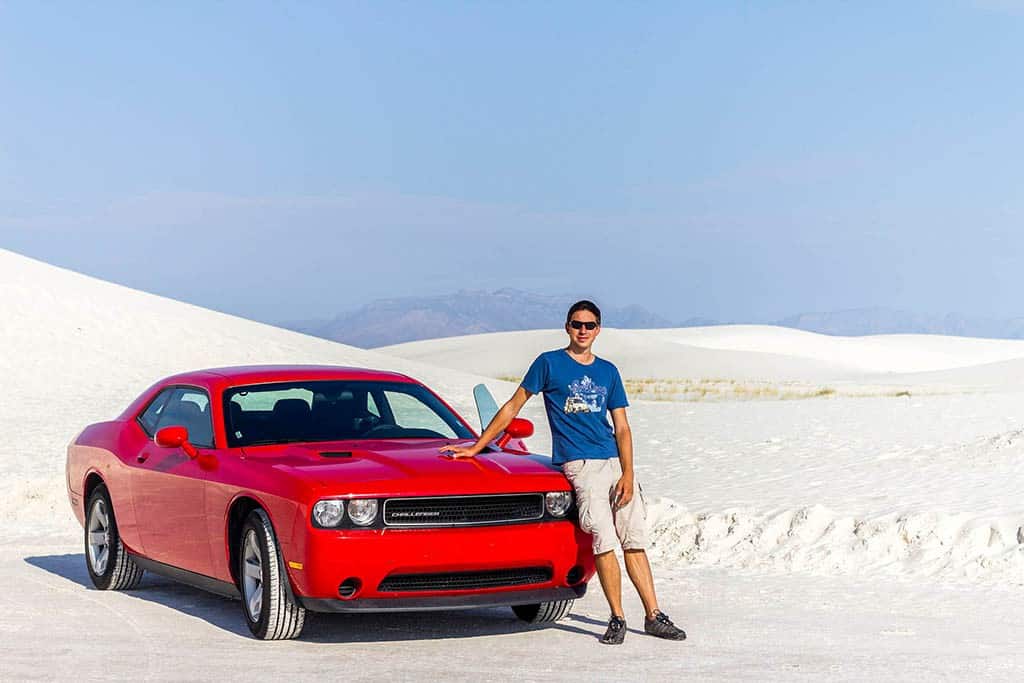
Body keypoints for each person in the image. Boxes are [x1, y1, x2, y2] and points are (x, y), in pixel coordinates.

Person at [443, 300, 686, 644]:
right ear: (567, 326)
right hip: (580, 466)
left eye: (589, 325)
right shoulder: (549, 364)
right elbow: (514, 405)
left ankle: (653, 615)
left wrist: (628, 474)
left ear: (598, 330)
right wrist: (478, 445)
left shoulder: (608, 371)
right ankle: (616, 617)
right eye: (576, 324)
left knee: (634, 540)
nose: (582, 331)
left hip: (614, 464)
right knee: (603, 540)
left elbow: (622, 428)